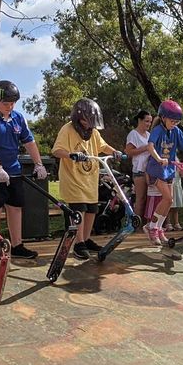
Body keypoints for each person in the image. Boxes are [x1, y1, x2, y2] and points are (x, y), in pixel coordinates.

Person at [0, 80, 45, 261]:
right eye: (6, 103)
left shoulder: (18, 118)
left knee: (15, 207)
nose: (10, 106)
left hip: (13, 169)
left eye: (13, 103)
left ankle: (17, 245)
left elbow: (29, 141)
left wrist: (38, 164)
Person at [52, 98, 123, 259]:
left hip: (89, 179)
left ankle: (86, 239)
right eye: (86, 121)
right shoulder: (67, 129)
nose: (89, 125)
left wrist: (114, 151)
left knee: (92, 209)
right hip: (73, 179)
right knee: (79, 210)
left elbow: (103, 146)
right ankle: (78, 244)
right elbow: (57, 150)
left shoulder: (94, 132)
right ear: (78, 118)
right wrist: (71, 155)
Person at [143, 100, 183, 245]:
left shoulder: (175, 131)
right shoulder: (157, 131)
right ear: (163, 118)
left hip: (169, 170)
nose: (174, 124)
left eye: (177, 122)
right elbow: (150, 147)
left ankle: (159, 227)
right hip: (156, 169)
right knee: (167, 198)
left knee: (170, 201)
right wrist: (159, 158)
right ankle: (152, 227)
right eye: (172, 121)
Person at [125, 110, 154, 220]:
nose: (148, 124)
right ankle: (136, 224)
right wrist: (144, 148)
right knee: (140, 198)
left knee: (149, 198)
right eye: (146, 121)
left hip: (150, 170)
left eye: (150, 122)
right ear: (140, 120)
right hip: (139, 170)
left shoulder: (149, 135)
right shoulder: (133, 134)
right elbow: (128, 152)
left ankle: (147, 223)